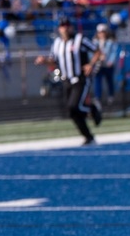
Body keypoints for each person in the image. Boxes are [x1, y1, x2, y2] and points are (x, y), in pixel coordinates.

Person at [35, 17, 102, 146]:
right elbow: (53, 61)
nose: (65, 29)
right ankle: (88, 137)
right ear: (59, 29)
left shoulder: (80, 39)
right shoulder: (57, 43)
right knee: (72, 112)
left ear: (71, 27)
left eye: (66, 26)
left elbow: (97, 52)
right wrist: (44, 61)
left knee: (74, 106)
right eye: (62, 26)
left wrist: (90, 65)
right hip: (66, 80)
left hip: (81, 78)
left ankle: (92, 108)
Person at [92, 24, 120, 106]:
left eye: (103, 32)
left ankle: (111, 96)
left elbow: (114, 53)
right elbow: (91, 53)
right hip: (98, 65)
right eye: (100, 32)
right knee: (98, 81)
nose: (102, 34)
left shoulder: (110, 42)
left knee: (109, 81)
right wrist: (97, 59)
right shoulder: (95, 42)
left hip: (108, 65)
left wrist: (110, 61)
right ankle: (98, 97)